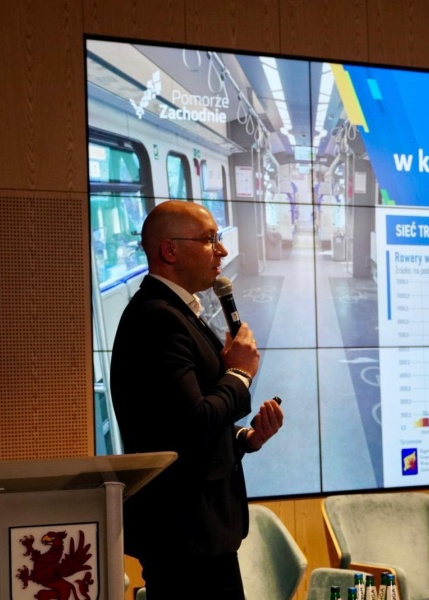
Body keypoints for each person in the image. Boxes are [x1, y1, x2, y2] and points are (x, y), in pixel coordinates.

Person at [110, 200, 284, 599]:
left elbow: (181, 429)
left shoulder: (180, 312)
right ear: (170, 250)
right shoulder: (158, 318)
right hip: (184, 533)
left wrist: (245, 438)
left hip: (201, 534)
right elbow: (192, 424)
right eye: (209, 240)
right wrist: (239, 374)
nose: (221, 250)